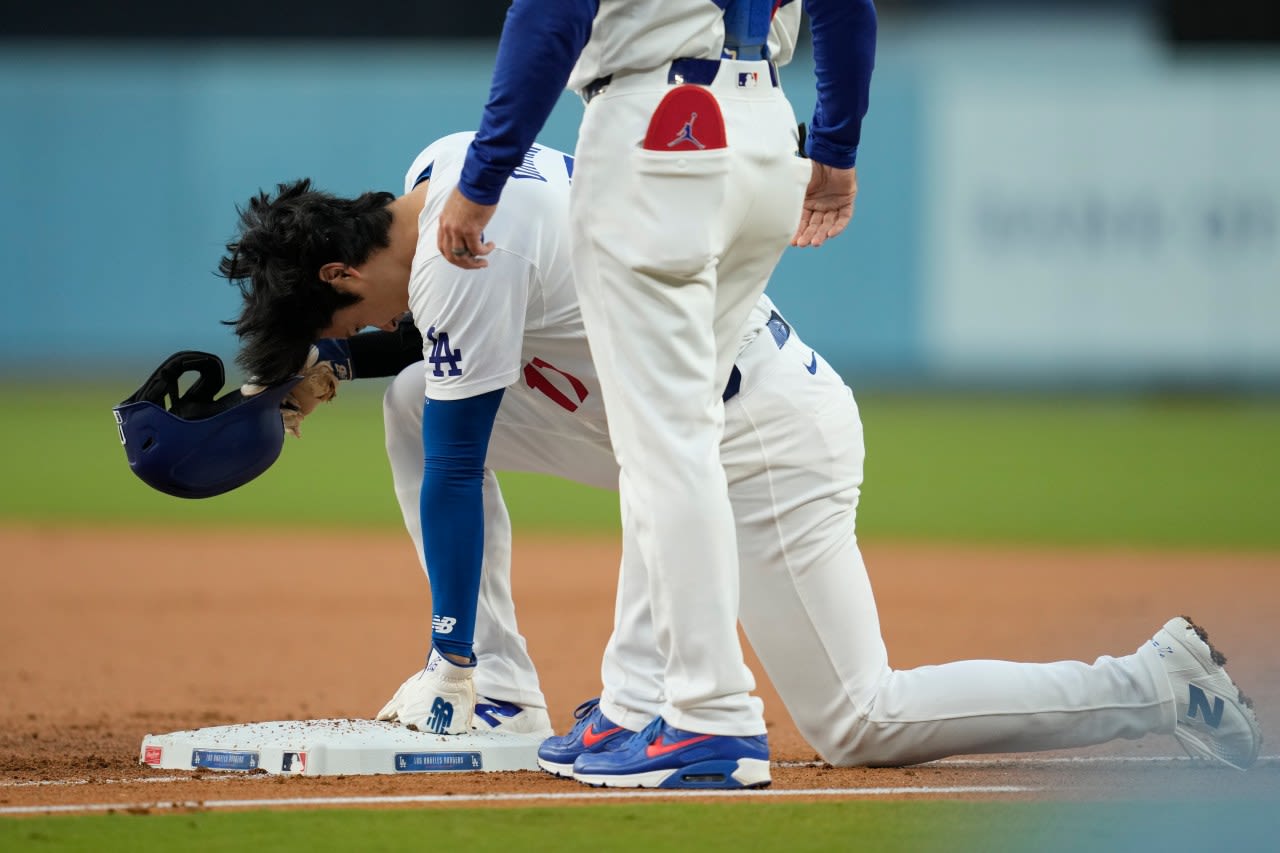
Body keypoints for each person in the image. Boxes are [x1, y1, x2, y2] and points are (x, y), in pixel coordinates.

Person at [218, 132, 1262, 792]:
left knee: (858, 718)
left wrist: (439, 653)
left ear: (341, 265)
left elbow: (455, 456)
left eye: (340, 310)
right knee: (409, 395)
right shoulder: (440, 177)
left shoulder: (462, 255)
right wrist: (339, 358)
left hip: (761, 439)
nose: (367, 318)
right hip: (661, 419)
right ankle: (500, 687)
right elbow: (447, 337)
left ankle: (1158, 681)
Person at [433, 0, 879, 789]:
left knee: (664, 439)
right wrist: (836, 144)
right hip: (766, 130)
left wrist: (484, 175)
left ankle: (712, 713)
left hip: (657, 126)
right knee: (677, 431)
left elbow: (551, 15)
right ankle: (638, 699)